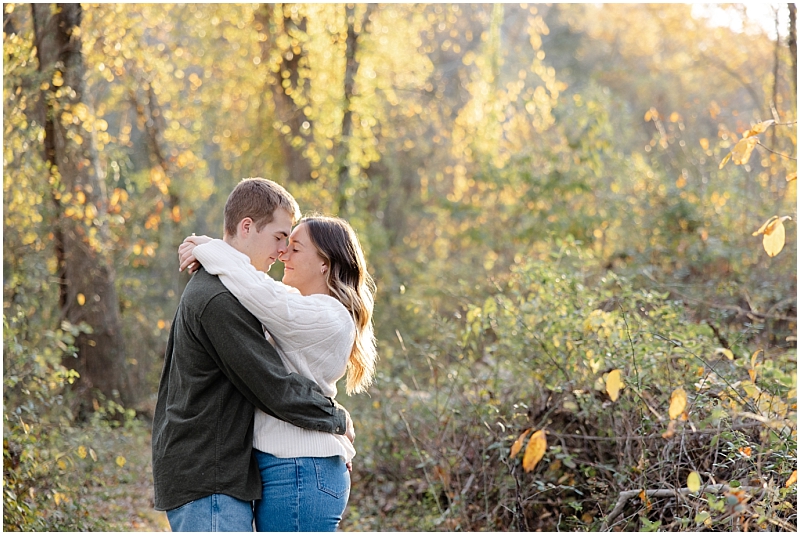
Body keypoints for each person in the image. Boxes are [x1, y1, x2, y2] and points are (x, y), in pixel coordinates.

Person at [152, 178, 354, 532]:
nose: (282, 251)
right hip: (208, 476)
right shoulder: (219, 298)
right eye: (280, 238)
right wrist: (335, 418)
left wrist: (212, 248)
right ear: (247, 227)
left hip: (221, 473)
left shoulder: (232, 291)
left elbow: (267, 297)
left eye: (291, 244)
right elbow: (273, 386)